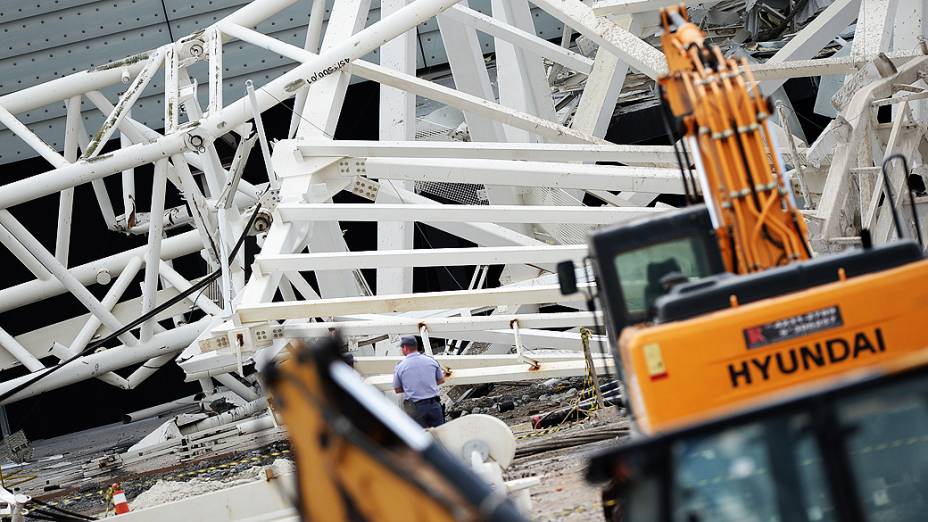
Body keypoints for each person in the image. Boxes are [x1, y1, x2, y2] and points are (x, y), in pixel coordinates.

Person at [393, 335, 445, 428]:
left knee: (421, 437)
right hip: (434, 405)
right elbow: (441, 380)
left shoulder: (400, 366)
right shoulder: (431, 361)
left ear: (405, 348)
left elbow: (397, 389)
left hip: (416, 408)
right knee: (441, 434)